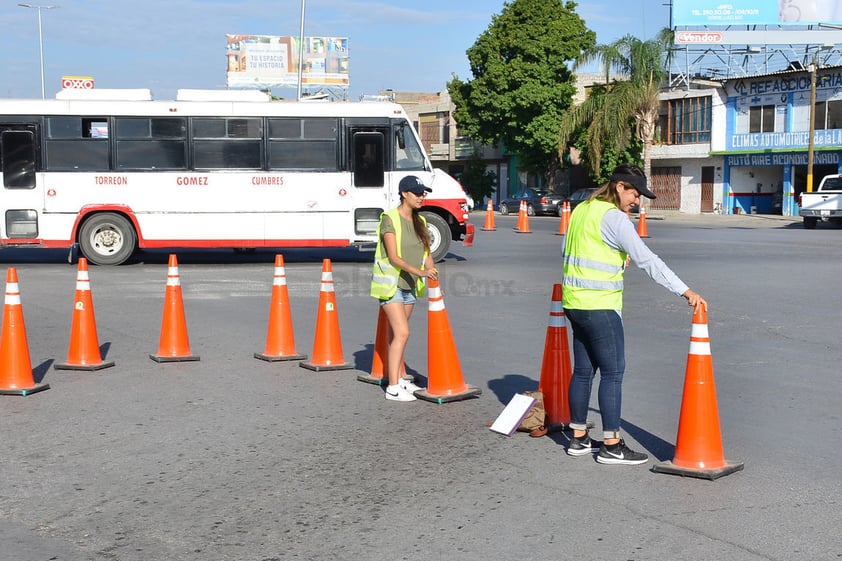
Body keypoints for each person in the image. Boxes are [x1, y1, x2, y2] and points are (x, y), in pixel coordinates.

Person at [561, 163, 707, 465]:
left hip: (574, 303)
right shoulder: (615, 218)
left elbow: (571, 250)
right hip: (601, 306)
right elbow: (648, 260)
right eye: (635, 193)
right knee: (613, 373)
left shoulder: (582, 210)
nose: (637, 200)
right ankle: (612, 445)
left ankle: (577, 439)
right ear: (619, 187)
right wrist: (685, 290)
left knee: (584, 371)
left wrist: (617, 257)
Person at [370, 175, 439, 401]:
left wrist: (434, 279)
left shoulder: (421, 222)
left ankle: (398, 378)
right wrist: (421, 272)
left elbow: (426, 253)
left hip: (409, 286)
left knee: (396, 336)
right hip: (391, 285)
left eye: (423, 193)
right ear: (404, 194)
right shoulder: (389, 219)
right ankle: (392, 387)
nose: (422, 196)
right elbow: (393, 257)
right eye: (417, 192)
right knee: (402, 333)